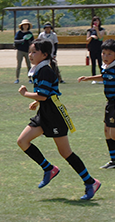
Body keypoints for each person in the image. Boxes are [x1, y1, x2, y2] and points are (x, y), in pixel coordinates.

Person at [17, 40, 101, 200]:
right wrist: (37, 101)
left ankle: (91, 182)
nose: (30, 55)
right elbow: (48, 92)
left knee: (65, 152)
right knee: (22, 141)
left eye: (34, 52)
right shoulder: (39, 70)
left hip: (55, 115)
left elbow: (44, 94)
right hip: (44, 113)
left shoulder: (45, 71)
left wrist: (26, 94)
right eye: (30, 52)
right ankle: (49, 169)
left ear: (45, 54)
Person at [78, 39, 115, 169]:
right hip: (110, 103)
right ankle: (113, 160)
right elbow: (104, 77)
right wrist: (89, 78)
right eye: (103, 53)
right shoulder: (107, 67)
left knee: (113, 133)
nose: (105, 56)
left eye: (109, 54)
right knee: (106, 131)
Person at [14, 19, 34, 84]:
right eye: (24, 25)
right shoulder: (19, 33)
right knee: (18, 65)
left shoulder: (30, 33)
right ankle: (17, 78)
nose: (25, 26)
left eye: (26, 25)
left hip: (28, 51)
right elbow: (15, 41)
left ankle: (30, 78)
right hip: (20, 50)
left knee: (29, 65)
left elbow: (33, 42)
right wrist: (22, 40)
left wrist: (29, 42)